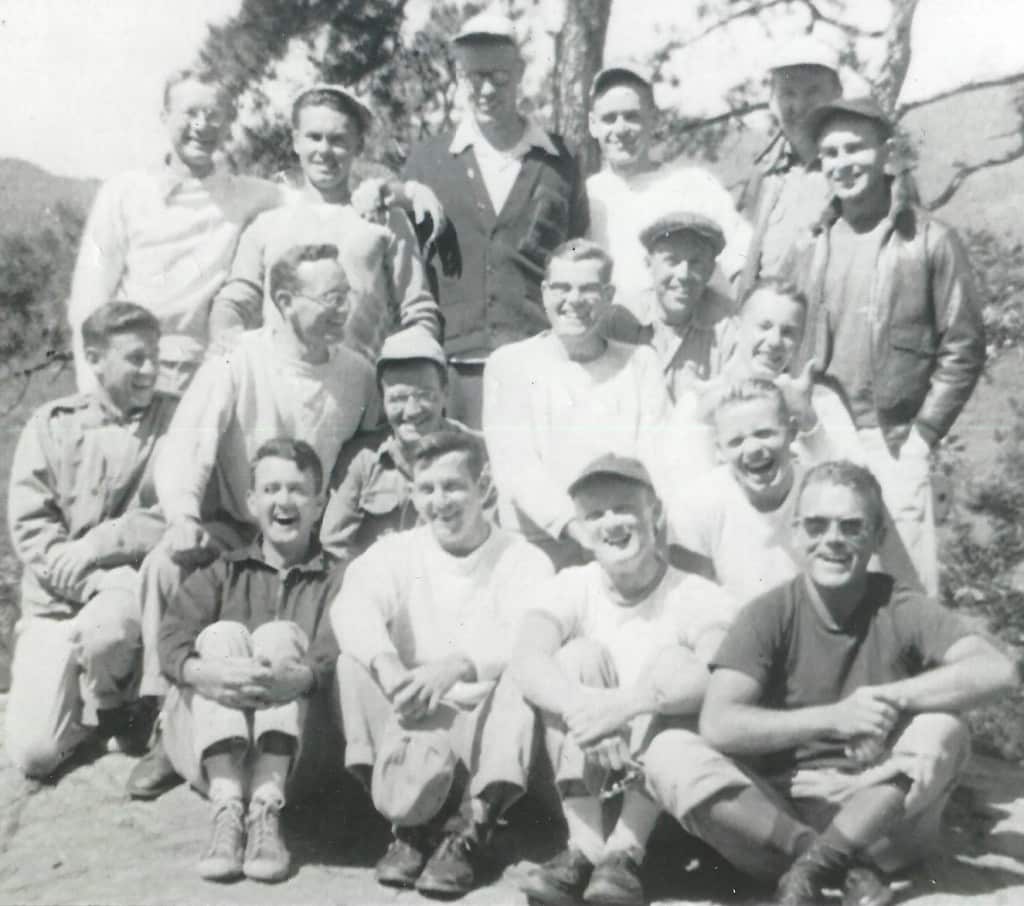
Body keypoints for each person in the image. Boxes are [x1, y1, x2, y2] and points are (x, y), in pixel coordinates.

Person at [699, 461, 1018, 905]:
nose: (832, 539)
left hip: (886, 817)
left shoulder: (899, 606)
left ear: (876, 537)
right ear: (795, 532)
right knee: (672, 750)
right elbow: (718, 723)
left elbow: (996, 671)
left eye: (851, 526)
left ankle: (817, 867)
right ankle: (834, 865)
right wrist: (835, 718)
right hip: (786, 815)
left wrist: (889, 698)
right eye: (816, 525)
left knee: (943, 728)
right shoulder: (769, 614)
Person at [128, 243, 378, 799]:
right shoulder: (238, 358)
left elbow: (367, 458)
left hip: (309, 535)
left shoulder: (357, 373)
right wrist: (184, 516)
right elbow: (188, 443)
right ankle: (169, 725)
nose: (343, 309)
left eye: (348, 296)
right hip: (237, 524)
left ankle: (299, 742)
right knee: (164, 569)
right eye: (330, 298)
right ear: (284, 300)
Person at [333, 431, 554, 898]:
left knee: (524, 672)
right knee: (353, 663)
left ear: (484, 487)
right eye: (426, 489)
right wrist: (390, 668)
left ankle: (471, 829)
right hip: (413, 721)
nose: (440, 502)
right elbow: (352, 606)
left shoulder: (523, 558)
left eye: (453, 487)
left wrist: (456, 665)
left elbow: (528, 633)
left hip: (482, 722)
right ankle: (409, 824)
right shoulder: (398, 551)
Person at [510, 454, 739, 906]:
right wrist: (585, 712)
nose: (610, 523)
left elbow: (714, 675)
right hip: (585, 779)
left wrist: (626, 706)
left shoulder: (696, 594)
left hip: (665, 799)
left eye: (623, 508)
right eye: (595, 514)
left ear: (655, 513)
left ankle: (625, 854)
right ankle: (586, 848)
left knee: (673, 662)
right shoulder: (572, 585)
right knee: (575, 656)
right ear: (579, 529)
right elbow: (527, 658)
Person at [785, 96, 986, 598]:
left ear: (887, 153)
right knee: (826, 585)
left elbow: (963, 346)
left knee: (906, 588)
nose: (842, 163)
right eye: (830, 153)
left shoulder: (930, 239)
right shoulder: (811, 243)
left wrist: (923, 436)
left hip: (893, 437)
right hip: (822, 433)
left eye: (855, 148)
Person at [158, 438, 341, 883]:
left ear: (320, 504)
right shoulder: (224, 571)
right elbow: (170, 636)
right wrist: (207, 673)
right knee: (220, 634)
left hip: (300, 763)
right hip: (213, 754)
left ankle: (265, 808)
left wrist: (302, 676)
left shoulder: (340, 579)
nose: (284, 500)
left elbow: (341, 645)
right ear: (252, 501)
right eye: (272, 488)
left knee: (279, 636)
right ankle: (227, 808)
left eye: (298, 490)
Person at [6, 302, 176, 778]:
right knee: (36, 755)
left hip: (124, 593)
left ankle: (115, 707)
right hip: (55, 602)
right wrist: (84, 579)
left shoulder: (173, 423)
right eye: (136, 358)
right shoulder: (51, 424)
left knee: (112, 624)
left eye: (155, 357)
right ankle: (72, 700)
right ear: (95, 360)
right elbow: (31, 524)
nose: (150, 370)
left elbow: (173, 513)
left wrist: (96, 547)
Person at [402, 12, 589, 427]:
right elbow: (400, 264)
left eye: (500, 78)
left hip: (538, 364)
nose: (487, 90)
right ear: (458, 75)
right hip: (452, 370)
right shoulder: (427, 160)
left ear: (520, 73)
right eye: (474, 77)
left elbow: (578, 250)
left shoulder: (560, 160)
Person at [68, 68, 283, 395]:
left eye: (213, 115)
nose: (202, 125)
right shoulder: (124, 192)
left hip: (212, 373)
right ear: (165, 116)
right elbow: (89, 298)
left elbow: (318, 203)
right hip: (131, 371)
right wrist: (91, 392)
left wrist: (382, 191)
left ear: (228, 122)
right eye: (190, 113)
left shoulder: (255, 195)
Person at [208, 84, 442, 363]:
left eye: (338, 139)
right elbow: (236, 299)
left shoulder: (385, 221)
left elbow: (419, 311)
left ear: (359, 145)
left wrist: (409, 368)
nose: (324, 150)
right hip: (281, 388)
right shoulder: (267, 225)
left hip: (361, 388)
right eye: (314, 137)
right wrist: (226, 333)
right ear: (296, 141)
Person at [482, 239, 672, 569]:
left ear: (609, 296)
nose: (573, 300)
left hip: (625, 544)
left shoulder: (640, 363)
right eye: (561, 288)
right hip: (540, 548)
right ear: (544, 292)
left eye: (588, 289)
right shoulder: (508, 365)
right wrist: (580, 530)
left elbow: (657, 455)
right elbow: (516, 467)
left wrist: (621, 531)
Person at [668, 379, 920, 605]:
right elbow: (694, 603)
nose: (753, 448)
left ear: (791, 432)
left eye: (764, 433)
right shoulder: (699, 504)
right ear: (719, 450)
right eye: (736, 441)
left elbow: (871, 582)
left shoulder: (823, 493)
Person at [586, 64, 750, 332]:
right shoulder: (585, 197)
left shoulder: (693, 185)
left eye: (632, 117)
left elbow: (741, 266)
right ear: (593, 125)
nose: (621, 128)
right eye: (609, 118)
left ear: (654, 120)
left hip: (688, 343)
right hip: (612, 344)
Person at [321, 325, 491, 562]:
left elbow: (492, 540)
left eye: (424, 395)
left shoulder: (478, 452)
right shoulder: (362, 459)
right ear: (382, 399)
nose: (411, 411)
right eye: (398, 399)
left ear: (445, 393)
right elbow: (335, 548)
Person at [684, 278, 863, 467]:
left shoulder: (821, 403)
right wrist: (702, 423)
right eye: (764, 326)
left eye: (788, 332)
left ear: (800, 341)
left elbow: (855, 481)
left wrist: (807, 419)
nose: (775, 341)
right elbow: (677, 485)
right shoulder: (700, 399)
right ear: (737, 328)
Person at [736, 35, 842, 298]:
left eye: (813, 93)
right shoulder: (763, 175)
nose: (800, 106)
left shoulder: (858, 169)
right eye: (788, 93)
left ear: (838, 96)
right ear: (772, 101)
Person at [608, 211, 739, 405]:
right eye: (672, 261)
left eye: (695, 263)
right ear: (649, 264)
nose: (683, 274)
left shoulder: (727, 330)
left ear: (710, 270)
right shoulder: (620, 320)